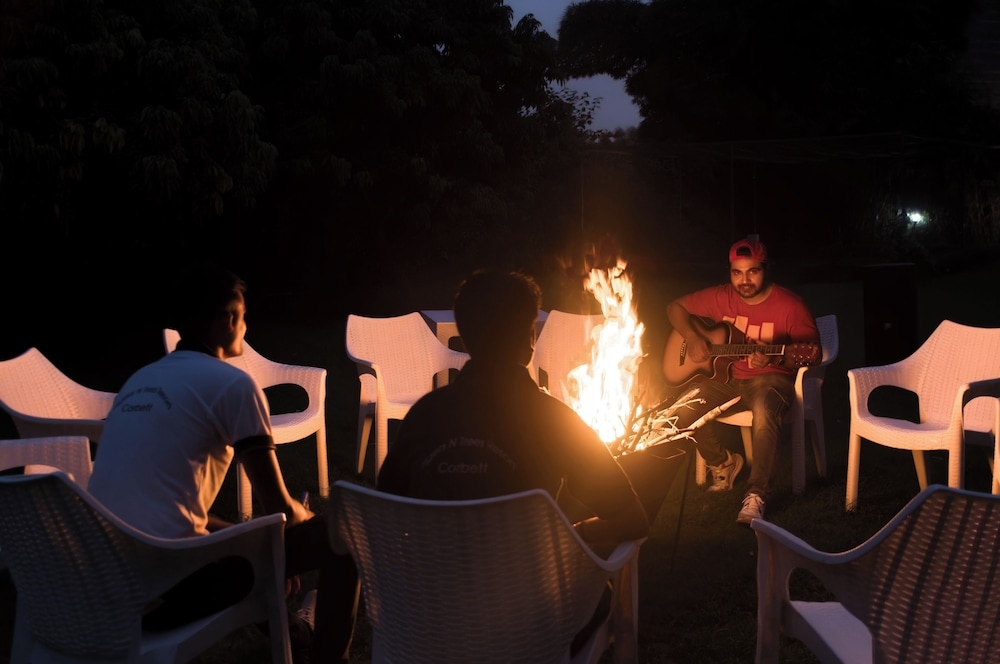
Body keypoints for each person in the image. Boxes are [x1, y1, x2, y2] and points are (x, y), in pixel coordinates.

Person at [88, 263, 358, 663]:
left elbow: (173, 514)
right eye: (244, 317)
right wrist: (299, 516)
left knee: (257, 548)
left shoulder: (139, 381)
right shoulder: (232, 385)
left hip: (107, 580)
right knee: (340, 535)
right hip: (176, 581)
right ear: (229, 319)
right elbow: (280, 509)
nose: (246, 328)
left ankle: (297, 636)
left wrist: (254, 539)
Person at [377, 268, 649, 548]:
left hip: (426, 588)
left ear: (465, 337)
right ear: (530, 341)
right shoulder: (556, 420)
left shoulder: (425, 415)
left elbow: (382, 512)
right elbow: (633, 519)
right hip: (524, 589)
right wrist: (568, 538)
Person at [661, 237, 820, 524]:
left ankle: (756, 494)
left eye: (752, 271)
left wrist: (773, 359)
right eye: (737, 272)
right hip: (727, 379)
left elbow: (813, 353)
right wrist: (693, 336)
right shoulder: (721, 297)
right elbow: (674, 307)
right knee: (679, 410)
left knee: (764, 411)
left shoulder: (791, 305)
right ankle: (722, 462)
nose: (744, 280)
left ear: (765, 269)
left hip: (771, 380)